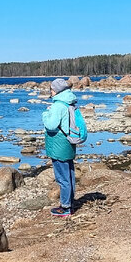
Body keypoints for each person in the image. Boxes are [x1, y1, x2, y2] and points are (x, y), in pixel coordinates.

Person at [42, 77, 80, 217]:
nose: (50, 92)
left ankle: (65, 208)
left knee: (62, 177)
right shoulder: (70, 102)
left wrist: (45, 114)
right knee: (69, 175)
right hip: (68, 143)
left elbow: (51, 125)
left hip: (59, 145)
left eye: (51, 89)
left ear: (57, 90)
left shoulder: (58, 105)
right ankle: (70, 203)